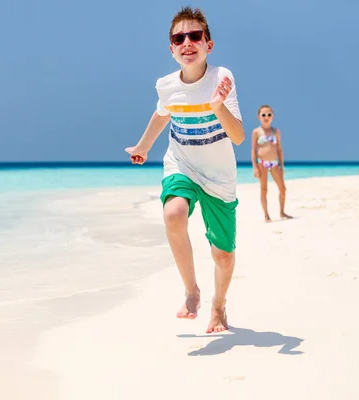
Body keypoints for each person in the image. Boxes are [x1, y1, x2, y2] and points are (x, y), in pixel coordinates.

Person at [125, 6, 245, 333]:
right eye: (179, 38)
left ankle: (218, 305)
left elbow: (237, 136)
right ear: (172, 48)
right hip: (182, 165)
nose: (187, 42)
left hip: (219, 178)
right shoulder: (166, 85)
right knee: (174, 213)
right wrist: (143, 147)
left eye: (195, 36)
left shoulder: (222, 79)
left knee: (223, 256)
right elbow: (163, 114)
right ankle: (192, 292)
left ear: (209, 44)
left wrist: (217, 107)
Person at [251, 105, 292, 222]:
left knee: (283, 189)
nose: (266, 117)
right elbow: (253, 150)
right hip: (262, 163)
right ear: (259, 117)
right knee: (264, 189)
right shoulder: (256, 132)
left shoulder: (275, 131)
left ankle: (282, 212)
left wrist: (282, 166)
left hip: (274, 164)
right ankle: (266, 215)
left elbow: (279, 150)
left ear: (272, 116)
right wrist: (255, 167)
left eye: (269, 114)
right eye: (263, 115)